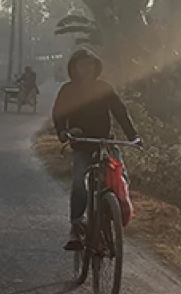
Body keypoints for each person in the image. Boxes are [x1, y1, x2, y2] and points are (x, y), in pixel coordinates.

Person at [52, 48, 140, 250]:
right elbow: (59, 114)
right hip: (82, 143)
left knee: (121, 179)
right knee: (78, 183)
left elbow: (120, 111)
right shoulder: (68, 90)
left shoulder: (104, 87)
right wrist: (63, 133)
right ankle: (76, 225)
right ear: (74, 68)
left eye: (90, 64)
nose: (86, 69)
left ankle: (108, 216)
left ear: (95, 67)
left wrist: (133, 136)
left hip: (104, 142)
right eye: (82, 65)